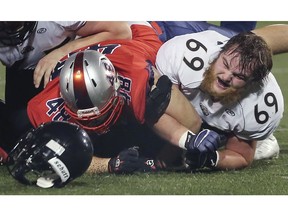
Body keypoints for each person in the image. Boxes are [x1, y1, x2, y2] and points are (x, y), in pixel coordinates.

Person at [155, 28, 285, 170]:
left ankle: (261, 141)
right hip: (185, 108)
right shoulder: (181, 54)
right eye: (225, 64)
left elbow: (241, 156)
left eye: (239, 76)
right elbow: (155, 110)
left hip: (224, 125)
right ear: (218, 54)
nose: (225, 77)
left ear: (252, 84)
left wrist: (212, 159)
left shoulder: (260, 104)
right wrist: (185, 142)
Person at [0, 21, 132, 150]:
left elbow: (121, 31)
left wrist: (62, 52)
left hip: (68, 70)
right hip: (22, 76)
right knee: (17, 136)